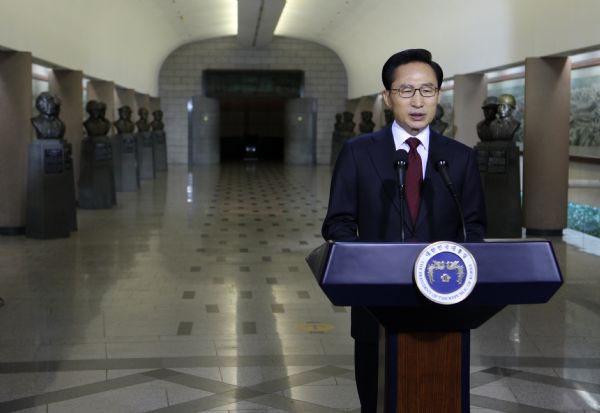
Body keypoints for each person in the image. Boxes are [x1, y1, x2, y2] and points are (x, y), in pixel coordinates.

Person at [322, 48, 486, 413]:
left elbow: (472, 226)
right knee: (376, 399)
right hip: (376, 307)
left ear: (439, 96)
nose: (417, 101)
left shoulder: (459, 158)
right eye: (406, 90)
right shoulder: (358, 152)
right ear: (387, 97)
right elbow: (338, 222)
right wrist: (368, 266)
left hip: (444, 303)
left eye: (427, 90)